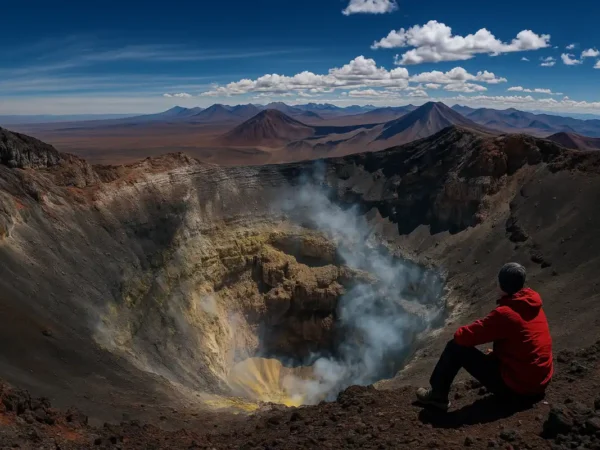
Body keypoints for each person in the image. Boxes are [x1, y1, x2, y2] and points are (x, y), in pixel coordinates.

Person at [416, 262, 553, 411]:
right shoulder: (531, 305)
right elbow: (522, 343)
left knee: (455, 347)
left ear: (502, 285)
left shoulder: (507, 314)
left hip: (519, 390)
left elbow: (463, 337)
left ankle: (437, 396)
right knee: (486, 354)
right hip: (539, 383)